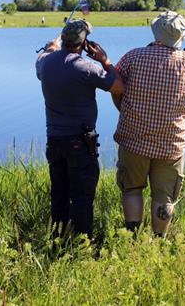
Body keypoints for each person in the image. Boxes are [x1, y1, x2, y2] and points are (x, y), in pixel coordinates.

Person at [111, 11, 185, 237]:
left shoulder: (133, 57)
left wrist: (123, 109)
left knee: (132, 189)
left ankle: (132, 237)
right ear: (181, 36)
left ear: (155, 32)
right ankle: (159, 240)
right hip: (171, 145)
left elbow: (115, 85)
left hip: (133, 138)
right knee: (165, 197)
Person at [35, 19, 124, 239]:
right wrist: (104, 60)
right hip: (80, 143)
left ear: (63, 39)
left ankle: (58, 240)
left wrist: (50, 46)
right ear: (84, 44)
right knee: (82, 197)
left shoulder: (46, 63)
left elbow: (41, 57)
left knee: (59, 194)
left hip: (54, 141)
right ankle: (82, 245)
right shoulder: (86, 67)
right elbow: (118, 86)